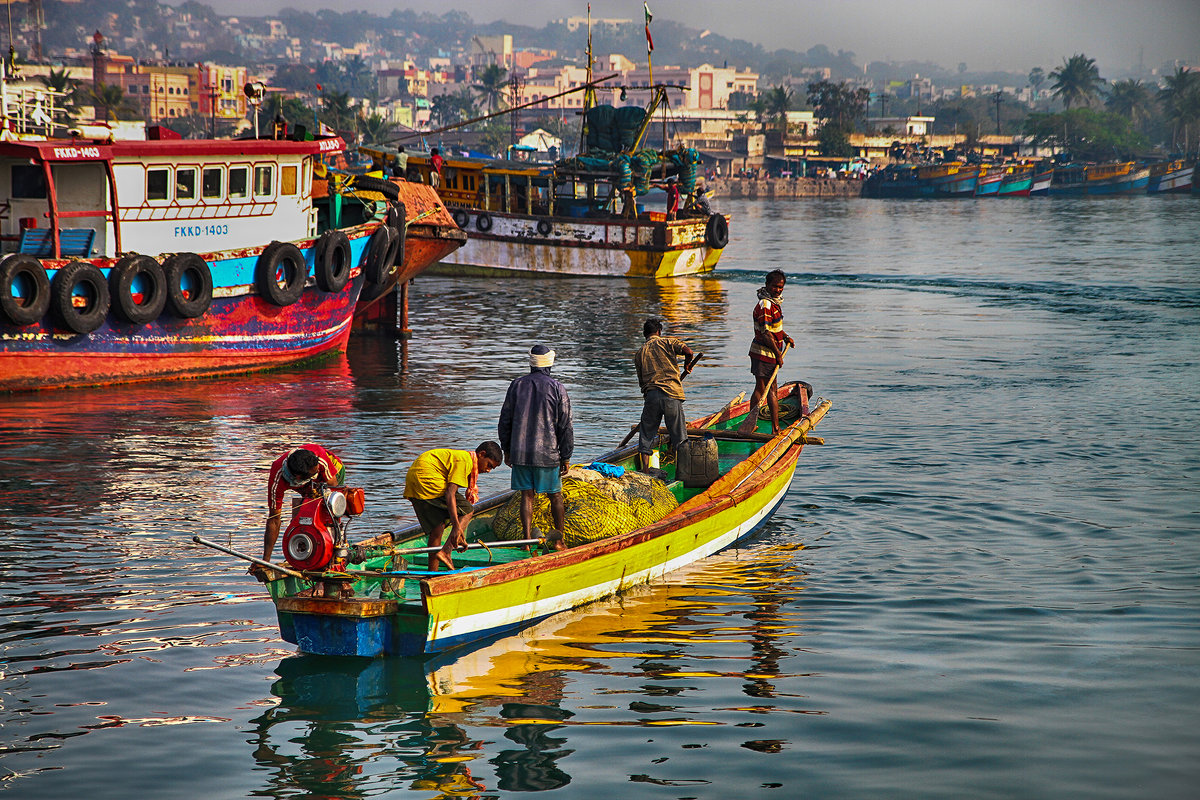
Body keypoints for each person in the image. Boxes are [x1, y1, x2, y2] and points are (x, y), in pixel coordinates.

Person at [498, 345, 574, 550]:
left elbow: (505, 420)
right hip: (548, 454)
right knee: (555, 495)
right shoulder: (557, 387)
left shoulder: (516, 385)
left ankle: (526, 543)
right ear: (549, 364)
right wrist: (565, 456)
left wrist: (507, 449)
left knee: (527, 495)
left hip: (520, 452)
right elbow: (565, 425)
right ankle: (559, 541)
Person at [404, 441, 503, 570]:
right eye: (488, 465)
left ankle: (432, 574)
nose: (488, 470)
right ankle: (447, 551)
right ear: (481, 454)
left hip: (415, 481)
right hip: (427, 480)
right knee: (467, 510)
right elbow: (450, 493)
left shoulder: (463, 458)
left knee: (437, 529)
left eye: (492, 468)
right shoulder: (465, 461)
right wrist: (457, 528)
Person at [738, 269, 805, 436]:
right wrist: (777, 354)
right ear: (767, 285)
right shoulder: (765, 305)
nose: (778, 290)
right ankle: (773, 428)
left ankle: (761, 424)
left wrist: (786, 337)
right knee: (764, 389)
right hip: (763, 354)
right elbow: (766, 333)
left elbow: (775, 329)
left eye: (781, 287)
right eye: (775, 286)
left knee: (767, 389)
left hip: (768, 354)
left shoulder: (774, 303)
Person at [634, 317, 698, 472]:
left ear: (645, 334)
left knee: (646, 434)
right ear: (659, 331)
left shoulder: (639, 353)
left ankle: (645, 470)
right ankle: (682, 472)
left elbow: (641, 381)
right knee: (679, 436)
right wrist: (687, 364)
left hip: (651, 396)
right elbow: (689, 351)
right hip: (671, 394)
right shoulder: (668, 342)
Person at [263, 444, 345, 561]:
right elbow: (274, 519)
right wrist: (266, 561)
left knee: (329, 508)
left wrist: (322, 495)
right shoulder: (278, 476)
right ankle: (303, 552)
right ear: (298, 477)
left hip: (333, 472)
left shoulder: (319, 458)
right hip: (304, 480)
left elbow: (333, 485)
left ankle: (335, 552)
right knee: (303, 512)